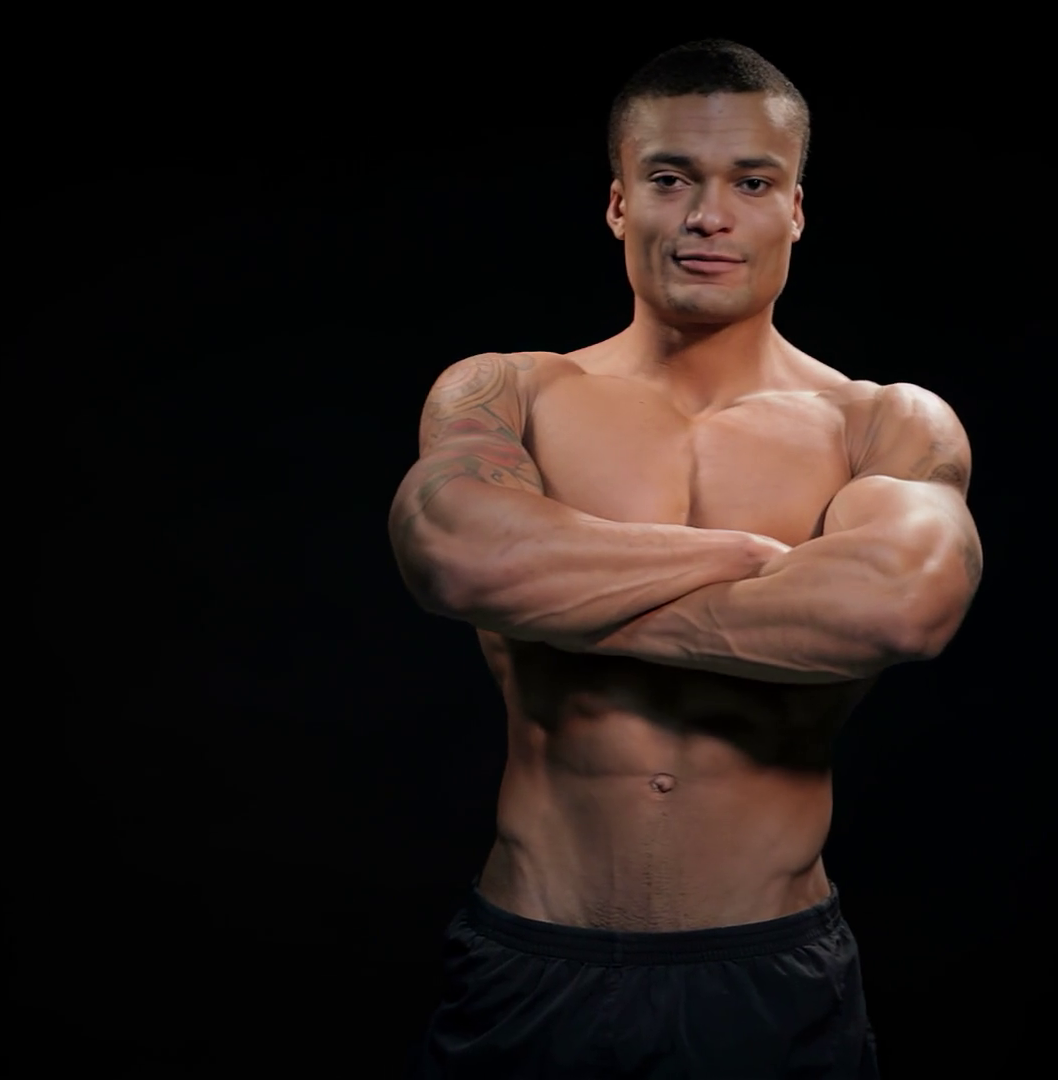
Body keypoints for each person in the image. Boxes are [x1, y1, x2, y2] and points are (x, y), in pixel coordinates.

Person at [390, 39, 982, 1078]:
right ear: (620, 203)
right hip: (532, 959)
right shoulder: (509, 392)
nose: (710, 214)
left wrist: (561, 599)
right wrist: (756, 560)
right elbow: (456, 560)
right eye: (671, 178)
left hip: (768, 974)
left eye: (751, 182)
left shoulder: (879, 424)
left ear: (795, 209)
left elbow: (898, 607)